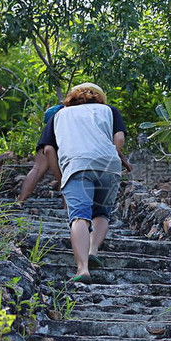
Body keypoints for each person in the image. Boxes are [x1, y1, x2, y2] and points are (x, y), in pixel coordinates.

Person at [38, 83, 132, 278]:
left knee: (80, 216)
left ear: (71, 98)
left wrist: (61, 178)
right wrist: (111, 157)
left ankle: (83, 269)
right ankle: (92, 251)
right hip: (109, 165)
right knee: (102, 213)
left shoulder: (58, 116)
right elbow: (120, 139)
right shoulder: (109, 110)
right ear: (99, 98)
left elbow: (48, 150)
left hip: (77, 166)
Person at [17, 103, 64, 202]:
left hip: (48, 136)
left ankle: (20, 201)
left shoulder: (55, 116)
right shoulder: (71, 112)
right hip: (64, 135)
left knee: (37, 169)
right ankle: (67, 206)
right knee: (69, 174)